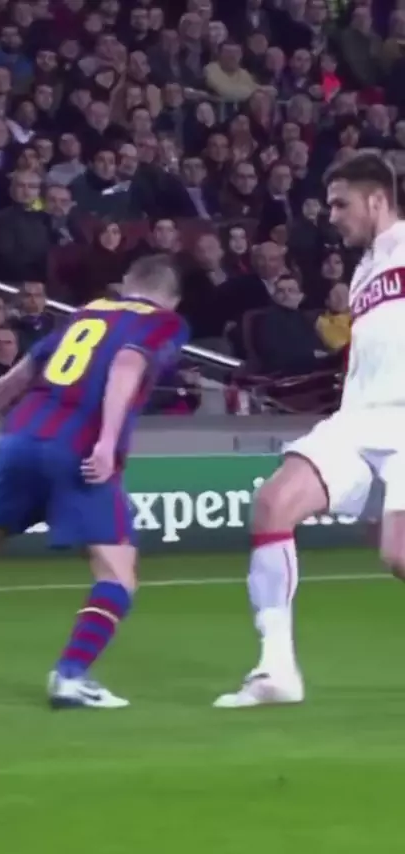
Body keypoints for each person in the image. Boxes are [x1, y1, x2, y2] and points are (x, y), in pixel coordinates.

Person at [0, 255, 188, 709]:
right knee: (116, 571)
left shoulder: (87, 313)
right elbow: (127, 365)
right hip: (77, 451)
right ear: (174, 297)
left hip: (19, 439)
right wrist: (107, 443)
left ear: (125, 283)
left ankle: (72, 676)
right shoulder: (164, 323)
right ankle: (70, 676)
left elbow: (14, 379)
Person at [213, 151, 405, 708]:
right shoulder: (365, 270)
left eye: (342, 204)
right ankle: (276, 672)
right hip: (358, 421)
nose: (332, 216)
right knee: (273, 504)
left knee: (397, 555)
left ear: (377, 199)